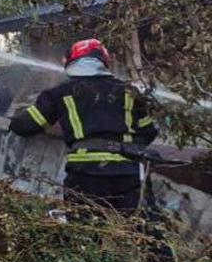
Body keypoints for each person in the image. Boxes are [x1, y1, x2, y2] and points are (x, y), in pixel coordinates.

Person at [10, 38, 159, 212]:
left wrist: (15, 117)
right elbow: (149, 131)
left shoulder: (60, 93)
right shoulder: (129, 92)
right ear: (104, 62)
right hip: (128, 173)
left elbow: (25, 126)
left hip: (87, 174)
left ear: (71, 62)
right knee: (135, 231)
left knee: (88, 229)